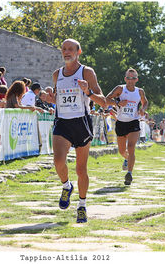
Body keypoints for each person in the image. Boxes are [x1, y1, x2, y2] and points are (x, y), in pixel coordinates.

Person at [51, 38, 106, 223]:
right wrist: (51, 98)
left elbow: (103, 101)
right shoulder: (56, 74)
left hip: (81, 122)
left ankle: (82, 206)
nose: (67, 52)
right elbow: (58, 99)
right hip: (62, 123)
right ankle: (66, 186)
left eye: (71, 49)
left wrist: (88, 92)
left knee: (81, 169)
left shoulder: (87, 72)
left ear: (78, 52)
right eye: (64, 49)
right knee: (58, 161)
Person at [106, 68, 148, 185]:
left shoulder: (140, 91)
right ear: (125, 79)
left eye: (133, 78)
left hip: (133, 121)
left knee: (131, 147)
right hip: (121, 122)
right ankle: (126, 159)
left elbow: (145, 102)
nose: (130, 80)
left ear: (137, 79)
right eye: (128, 78)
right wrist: (118, 103)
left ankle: (129, 173)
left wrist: (142, 109)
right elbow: (106, 99)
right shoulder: (120, 89)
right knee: (121, 151)